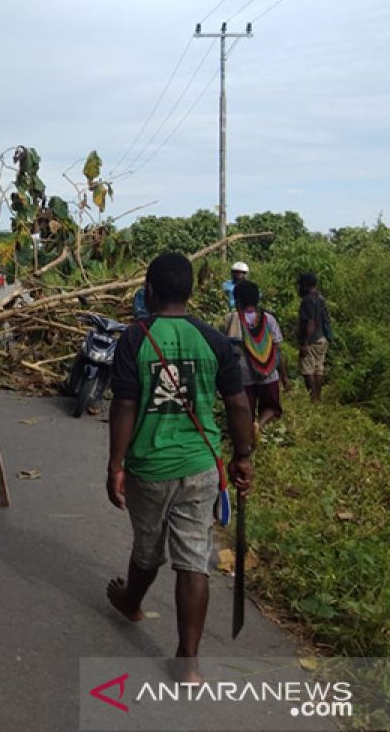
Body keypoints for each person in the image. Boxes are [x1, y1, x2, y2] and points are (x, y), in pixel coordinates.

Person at [105, 252, 254, 683]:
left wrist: (115, 463)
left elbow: (125, 405)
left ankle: (131, 602)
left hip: (148, 468)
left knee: (148, 548)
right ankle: (188, 662)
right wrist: (242, 456)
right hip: (201, 465)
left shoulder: (135, 339)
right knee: (193, 558)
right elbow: (239, 403)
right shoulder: (213, 340)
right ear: (191, 292)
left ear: (148, 291)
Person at [223, 281, 289, 432]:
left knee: (245, 409)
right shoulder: (268, 319)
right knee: (272, 407)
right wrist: (284, 376)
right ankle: (260, 425)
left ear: (237, 299)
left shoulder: (231, 319)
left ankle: (249, 428)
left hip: (242, 374)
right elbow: (277, 349)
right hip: (269, 372)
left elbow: (223, 347)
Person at [297, 272, 331, 401]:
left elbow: (310, 322)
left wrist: (305, 343)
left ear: (305, 285)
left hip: (311, 340)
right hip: (322, 338)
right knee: (318, 369)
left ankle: (313, 398)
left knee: (307, 370)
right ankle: (318, 397)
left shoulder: (307, 300)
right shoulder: (320, 298)